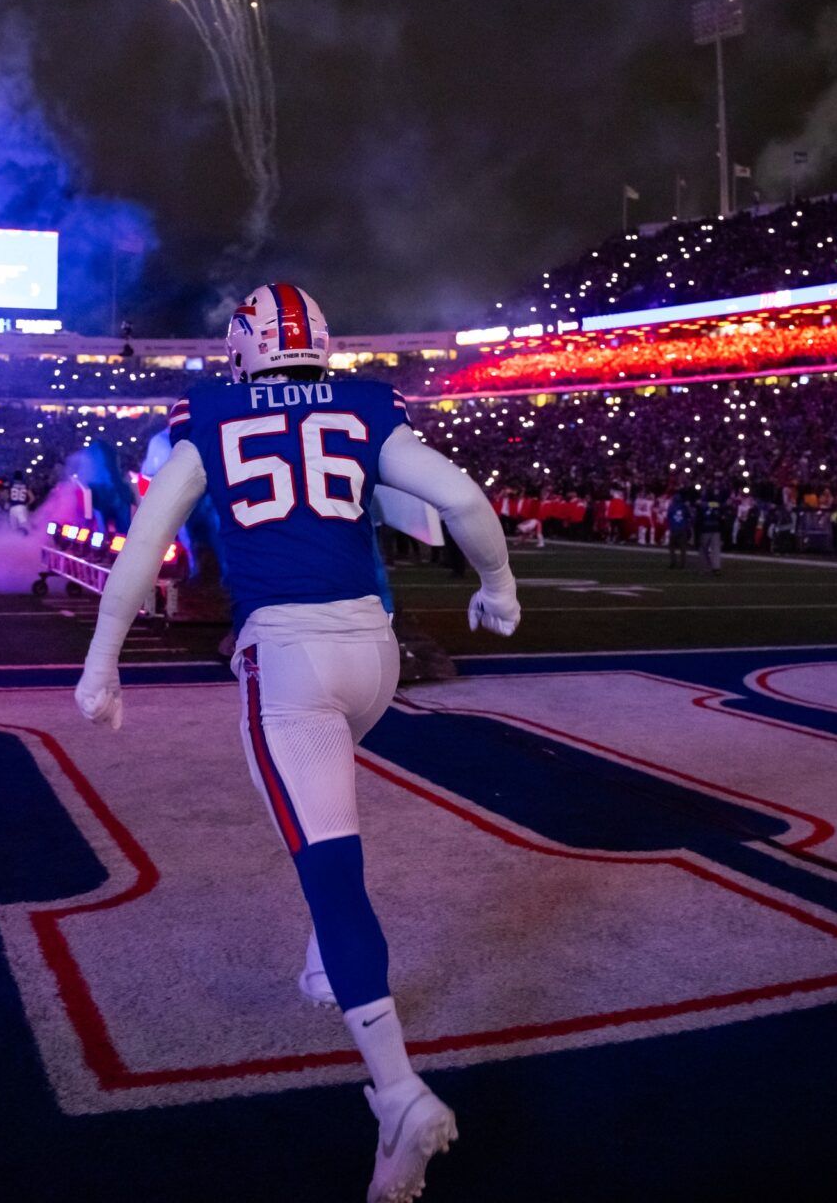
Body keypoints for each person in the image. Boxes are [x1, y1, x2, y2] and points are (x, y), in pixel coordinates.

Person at [75, 283, 520, 1203]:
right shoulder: (362, 404)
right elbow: (465, 499)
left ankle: (397, 1094)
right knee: (328, 812)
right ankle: (327, 955)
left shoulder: (210, 413)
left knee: (329, 864)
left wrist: (101, 665)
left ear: (242, 346)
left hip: (287, 654)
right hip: (374, 655)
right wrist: (499, 588)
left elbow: (141, 547)